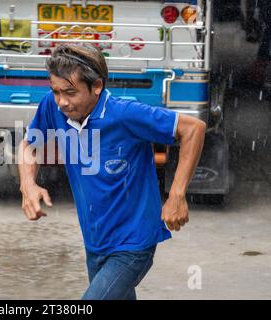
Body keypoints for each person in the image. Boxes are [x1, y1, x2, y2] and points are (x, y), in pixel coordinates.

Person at [17, 44, 206, 300]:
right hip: (95, 241)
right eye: (56, 91)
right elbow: (29, 143)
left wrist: (177, 194)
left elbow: (193, 129)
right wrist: (27, 183)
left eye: (70, 92)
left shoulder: (124, 114)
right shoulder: (53, 107)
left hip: (133, 243)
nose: (62, 101)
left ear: (97, 86)